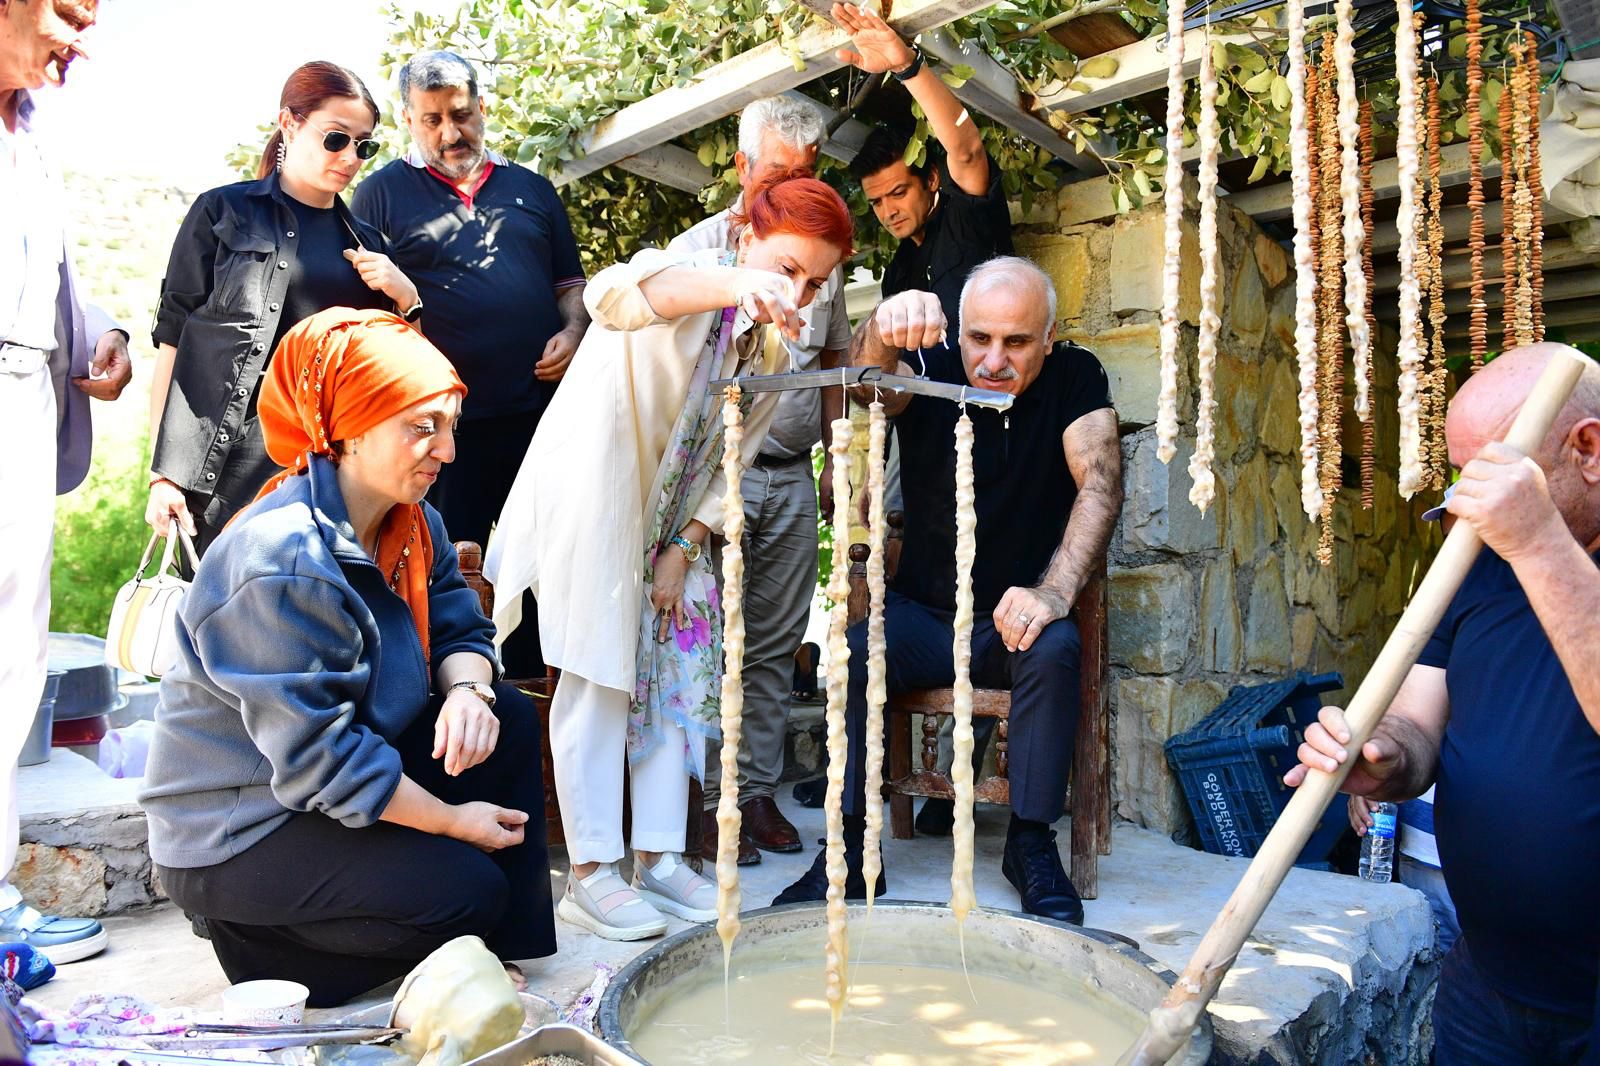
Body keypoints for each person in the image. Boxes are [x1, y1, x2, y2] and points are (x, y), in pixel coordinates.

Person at [140, 309, 553, 1008]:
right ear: (350, 428)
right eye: (422, 426)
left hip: (327, 775)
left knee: (505, 715)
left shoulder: (411, 521)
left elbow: (462, 630)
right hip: (243, 826)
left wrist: (468, 693)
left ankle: (483, 947)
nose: (448, 450)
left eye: (450, 425)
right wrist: (453, 823)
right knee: (467, 889)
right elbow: (321, 761)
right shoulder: (280, 560)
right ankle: (261, 943)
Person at [486, 174, 854, 941]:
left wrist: (686, 547)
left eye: (814, 282)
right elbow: (613, 297)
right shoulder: (689, 274)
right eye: (787, 267)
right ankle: (591, 873)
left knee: (679, 674)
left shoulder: (771, 344)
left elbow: (734, 462)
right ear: (746, 240)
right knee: (597, 673)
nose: (797, 291)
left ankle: (657, 858)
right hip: (595, 494)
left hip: (673, 521)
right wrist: (742, 284)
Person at [775, 257, 1122, 924]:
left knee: (1056, 649)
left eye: (1017, 342)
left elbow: (1100, 486)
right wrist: (883, 327)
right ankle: (851, 848)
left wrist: (1053, 593)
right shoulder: (928, 361)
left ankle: (1029, 844)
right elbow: (869, 388)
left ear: (1049, 338)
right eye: (979, 338)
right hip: (926, 616)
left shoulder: (1076, 376)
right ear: (958, 331)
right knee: (853, 655)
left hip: (1012, 619)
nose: (993, 360)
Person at [1286, 343, 1600, 1066]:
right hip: (1487, 985)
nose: (1467, 503)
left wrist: (1537, 539)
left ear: (1586, 449)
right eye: (1461, 476)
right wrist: (1382, 758)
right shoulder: (1478, 565)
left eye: (1492, 474)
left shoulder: (1523, 540)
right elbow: (1416, 723)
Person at [792, 2, 1016, 819]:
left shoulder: (969, 218)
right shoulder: (894, 274)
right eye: (877, 200)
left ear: (927, 183)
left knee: (989, 606)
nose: (889, 208)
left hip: (991, 444)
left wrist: (906, 63)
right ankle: (865, 778)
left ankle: (954, 788)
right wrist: (858, 475)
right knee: (888, 613)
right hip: (922, 463)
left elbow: (967, 146)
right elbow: (876, 382)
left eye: (898, 192)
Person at [353, 51, 589, 676]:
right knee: (447, 569)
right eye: (431, 120)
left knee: (542, 566)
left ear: (482, 108)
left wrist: (573, 330)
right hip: (439, 431)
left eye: (460, 115)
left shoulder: (531, 189)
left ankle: (538, 701)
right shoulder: (379, 195)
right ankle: (453, 694)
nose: (449, 133)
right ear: (409, 120)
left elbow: (571, 287)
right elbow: (366, 311)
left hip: (537, 419)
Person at [666, 95, 850, 867]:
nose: (792, 190)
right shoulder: (698, 253)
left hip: (793, 475)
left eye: (806, 174)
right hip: (714, 481)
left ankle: (754, 792)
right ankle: (700, 806)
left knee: (775, 646)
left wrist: (838, 458)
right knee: (706, 642)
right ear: (742, 167)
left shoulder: (825, 257)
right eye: (777, 173)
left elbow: (836, 359)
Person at [146, 61, 420, 554]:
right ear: (289, 123)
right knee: (216, 602)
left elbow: (401, 379)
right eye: (336, 138)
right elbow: (173, 344)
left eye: (364, 146)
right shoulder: (220, 213)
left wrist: (407, 298)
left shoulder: (371, 249)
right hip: (218, 477)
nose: (350, 157)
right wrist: (163, 475)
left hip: (327, 484)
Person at [1, 0, 131, 965]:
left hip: (24, 395)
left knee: (13, 657)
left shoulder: (30, 132)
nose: (81, 39)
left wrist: (101, 336)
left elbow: (46, 274)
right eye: (69, 12)